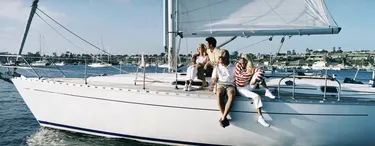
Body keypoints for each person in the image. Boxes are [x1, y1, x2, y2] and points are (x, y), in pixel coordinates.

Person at [235, 53, 275, 127]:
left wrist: (255, 79)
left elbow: (262, 72)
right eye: (241, 60)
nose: (242, 63)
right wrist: (251, 76)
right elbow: (239, 76)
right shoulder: (237, 66)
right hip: (241, 88)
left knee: (258, 74)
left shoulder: (251, 69)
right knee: (256, 96)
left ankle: (267, 91)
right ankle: (260, 117)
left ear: (247, 61)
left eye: (244, 61)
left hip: (248, 85)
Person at [211, 49, 236, 128]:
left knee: (231, 94)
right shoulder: (217, 67)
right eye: (219, 58)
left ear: (227, 58)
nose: (220, 59)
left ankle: (223, 118)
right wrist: (214, 79)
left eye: (222, 58)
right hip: (220, 84)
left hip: (230, 84)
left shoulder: (233, 67)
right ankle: (224, 117)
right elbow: (213, 78)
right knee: (219, 94)